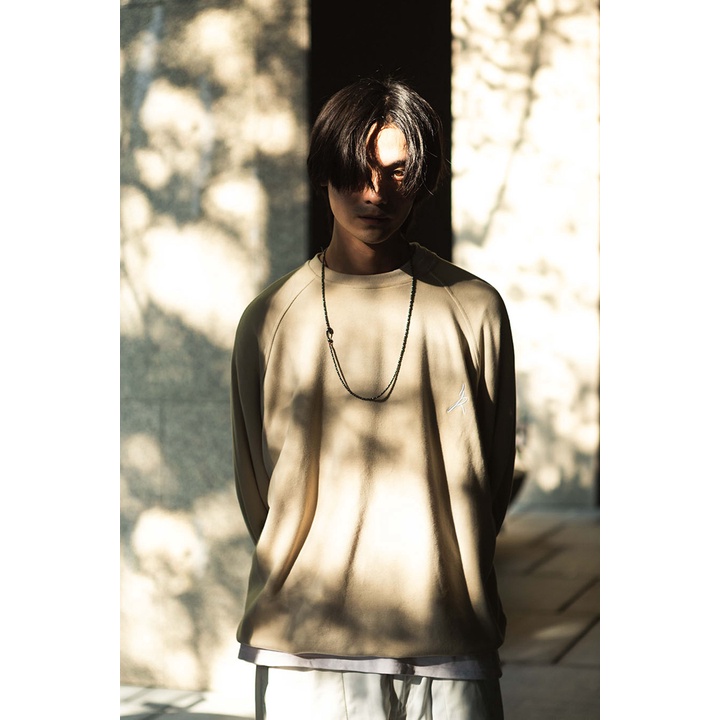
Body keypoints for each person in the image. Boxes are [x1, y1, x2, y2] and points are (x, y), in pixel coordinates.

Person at [231, 77, 516, 720]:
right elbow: (258, 488)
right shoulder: (270, 318)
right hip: (303, 644)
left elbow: (490, 479)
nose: (374, 191)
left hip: (449, 637)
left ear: (424, 178)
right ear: (323, 171)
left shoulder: (475, 310)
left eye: (397, 171)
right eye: (356, 169)